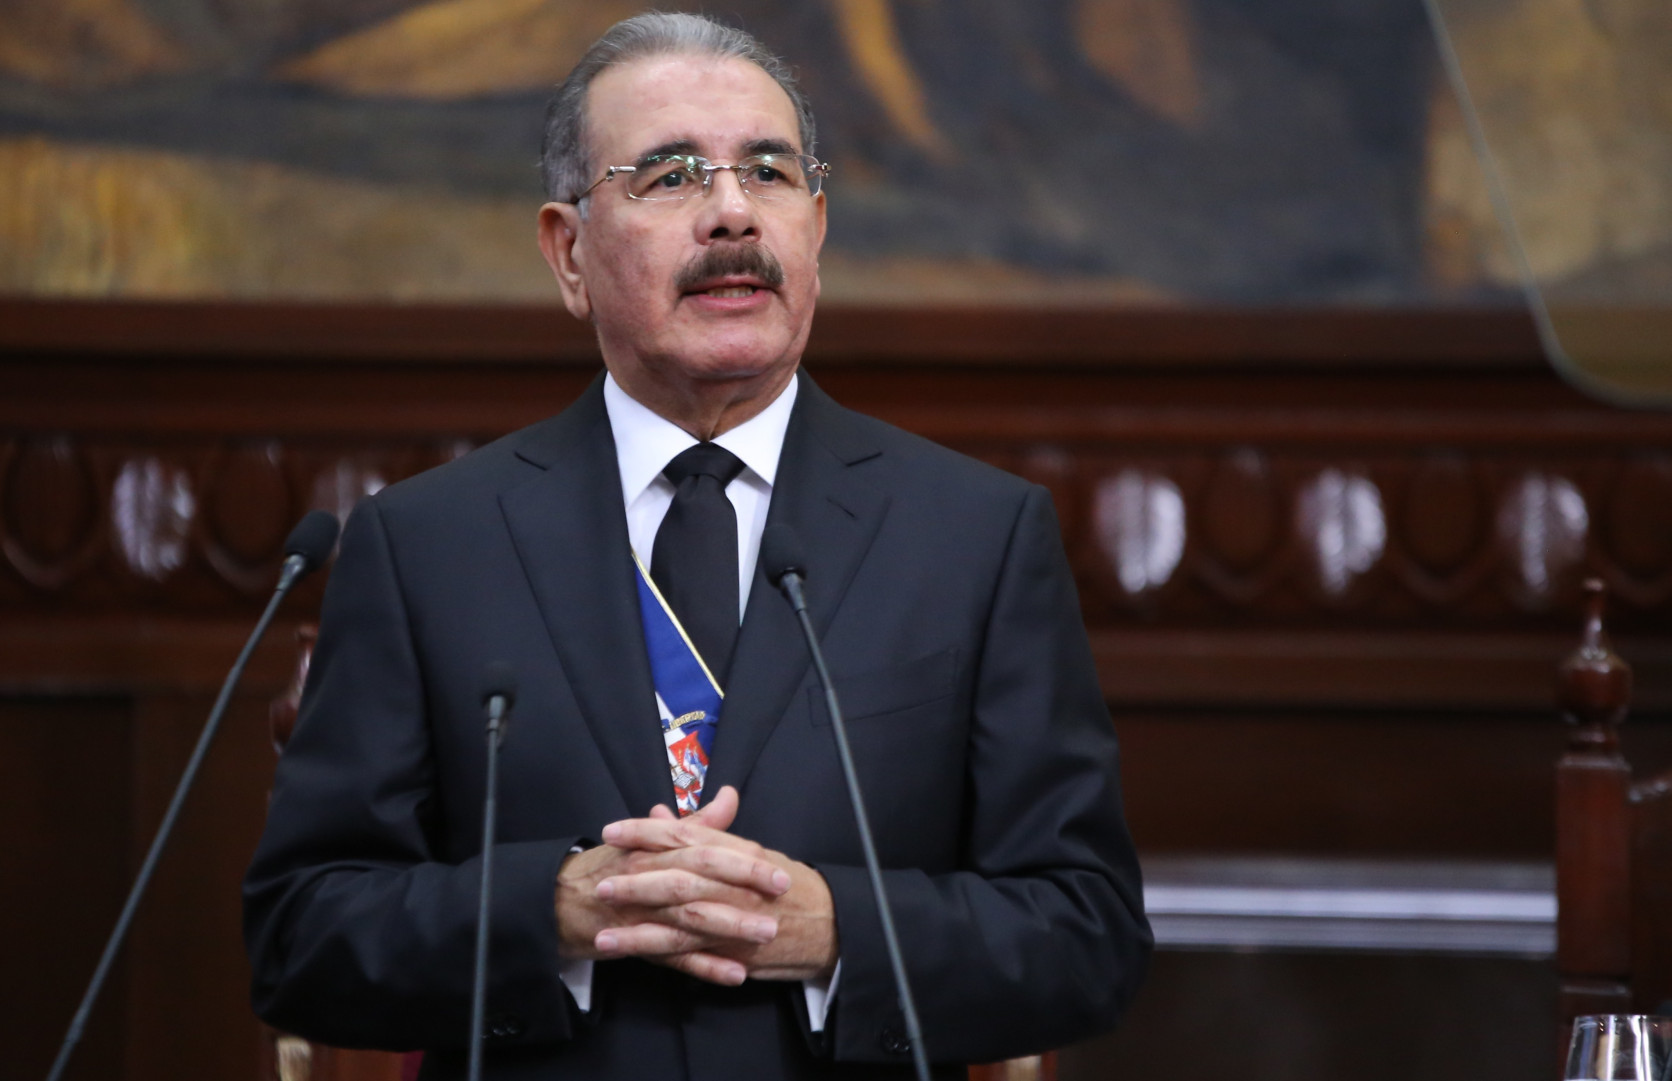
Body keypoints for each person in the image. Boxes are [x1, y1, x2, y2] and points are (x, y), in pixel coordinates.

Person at [243, 13, 1150, 1079]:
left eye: (769, 172)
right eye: (671, 176)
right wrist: (554, 909)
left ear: (816, 227)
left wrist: (835, 929)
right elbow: (302, 933)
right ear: (569, 252)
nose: (732, 212)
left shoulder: (973, 537)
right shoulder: (430, 544)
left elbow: (1087, 934)